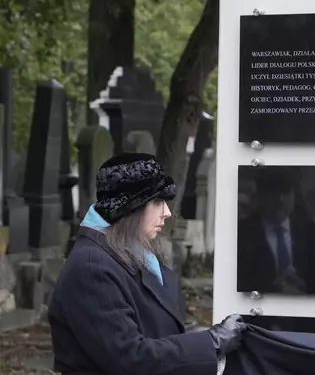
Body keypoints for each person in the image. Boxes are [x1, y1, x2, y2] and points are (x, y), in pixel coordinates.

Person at [47, 153, 246, 375]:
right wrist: (211, 342)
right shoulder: (92, 267)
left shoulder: (130, 251)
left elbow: (158, 329)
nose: (167, 213)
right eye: (158, 201)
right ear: (131, 206)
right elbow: (131, 357)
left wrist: (201, 339)